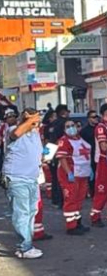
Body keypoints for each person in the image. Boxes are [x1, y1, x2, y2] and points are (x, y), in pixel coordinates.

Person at [2, 108, 44, 258]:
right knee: (22, 213)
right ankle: (24, 247)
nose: (37, 122)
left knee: (31, 212)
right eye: (35, 119)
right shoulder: (13, 130)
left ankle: (26, 244)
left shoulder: (35, 134)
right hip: (16, 178)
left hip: (32, 178)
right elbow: (16, 134)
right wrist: (29, 120)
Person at [56, 117, 92, 235]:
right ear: (63, 129)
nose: (71, 128)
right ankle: (71, 226)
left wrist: (90, 169)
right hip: (70, 173)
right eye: (68, 126)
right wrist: (69, 173)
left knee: (79, 198)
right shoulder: (64, 141)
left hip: (82, 173)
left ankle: (77, 222)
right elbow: (62, 158)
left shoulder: (80, 139)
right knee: (71, 199)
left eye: (73, 125)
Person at [47, 104, 69, 208]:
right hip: (62, 153)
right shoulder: (64, 123)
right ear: (63, 112)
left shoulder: (51, 124)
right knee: (62, 178)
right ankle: (62, 200)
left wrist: (46, 156)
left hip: (51, 151)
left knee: (55, 177)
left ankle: (55, 199)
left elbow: (48, 140)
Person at [80, 110, 100, 195]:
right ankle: (92, 192)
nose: (96, 119)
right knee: (92, 176)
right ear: (89, 119)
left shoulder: (100, 128)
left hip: (100, 154)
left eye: (96, 117)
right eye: (93, 117)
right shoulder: (84, 131)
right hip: (90, 156)